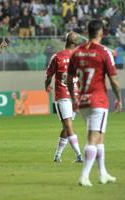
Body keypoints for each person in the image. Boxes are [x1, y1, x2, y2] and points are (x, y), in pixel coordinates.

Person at [67, 19, 122, 187]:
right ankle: (84, 176)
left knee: (99, 138)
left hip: (83, 102)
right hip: (98, 101)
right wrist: (119, 97)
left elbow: (69, 79)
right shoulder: (103, 52)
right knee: (93, 139)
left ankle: (103, 173)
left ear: (88, 31)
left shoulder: (76, 52)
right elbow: (113, 80)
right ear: (101, 33)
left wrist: (74, 98)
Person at [45, 32, 83, 163]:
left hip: (65, 95)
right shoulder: (79, 57)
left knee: (67, 127)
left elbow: (49, 76)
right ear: (75, 43)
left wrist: (47, 86)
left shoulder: (57, 56)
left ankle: (57, 155)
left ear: (65, 40)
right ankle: (79, 155)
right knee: (68, 125)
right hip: (71, 96)